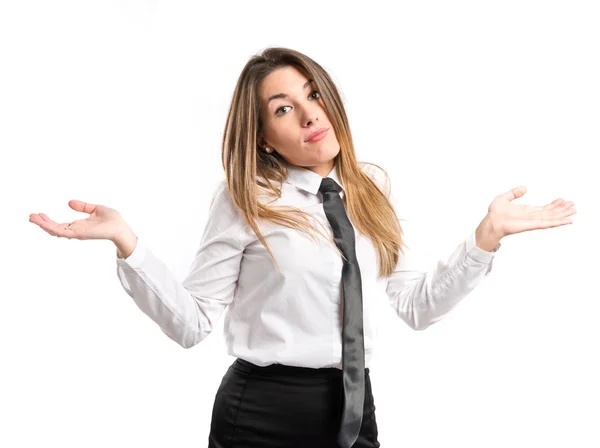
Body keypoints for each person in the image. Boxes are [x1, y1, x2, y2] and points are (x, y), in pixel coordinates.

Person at [28, 47, 576, 448]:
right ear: (264, 136)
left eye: (313, 95)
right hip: (262, 415)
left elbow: (416, 306)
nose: (310, 113)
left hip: (355, 410)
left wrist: (485, 240)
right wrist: (129, 243)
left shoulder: (372, 189)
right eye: (284, 107)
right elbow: (192, 323)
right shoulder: (247, 199)